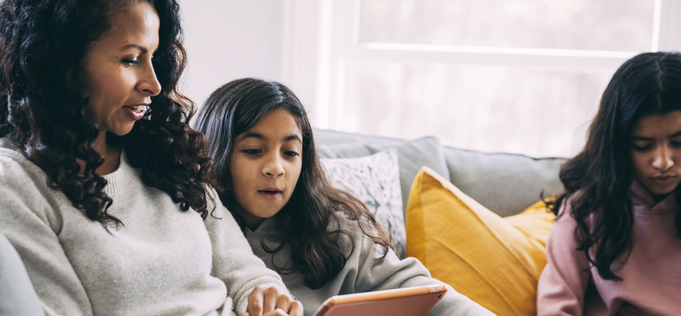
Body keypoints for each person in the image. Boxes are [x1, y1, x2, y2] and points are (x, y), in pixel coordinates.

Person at [0, 0, 301, 315]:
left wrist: (266, 299)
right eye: (131, 59)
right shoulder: (3, 182)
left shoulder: (165, 156)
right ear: (61, 63)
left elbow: (246, 274)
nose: (154, 84)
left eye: (153, 58)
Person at [194, 77, 494, 316]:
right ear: (215, 152)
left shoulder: (335, 229)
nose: (276, 168)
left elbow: (424, 293)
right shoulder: (189, 230)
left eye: (290, 153)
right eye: (254, 151)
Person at [537, 52, 681, 315]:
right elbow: (556, 307)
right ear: (618, 145)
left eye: (679, 142)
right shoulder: (584, 211)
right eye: (643, 146)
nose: (663, 161)